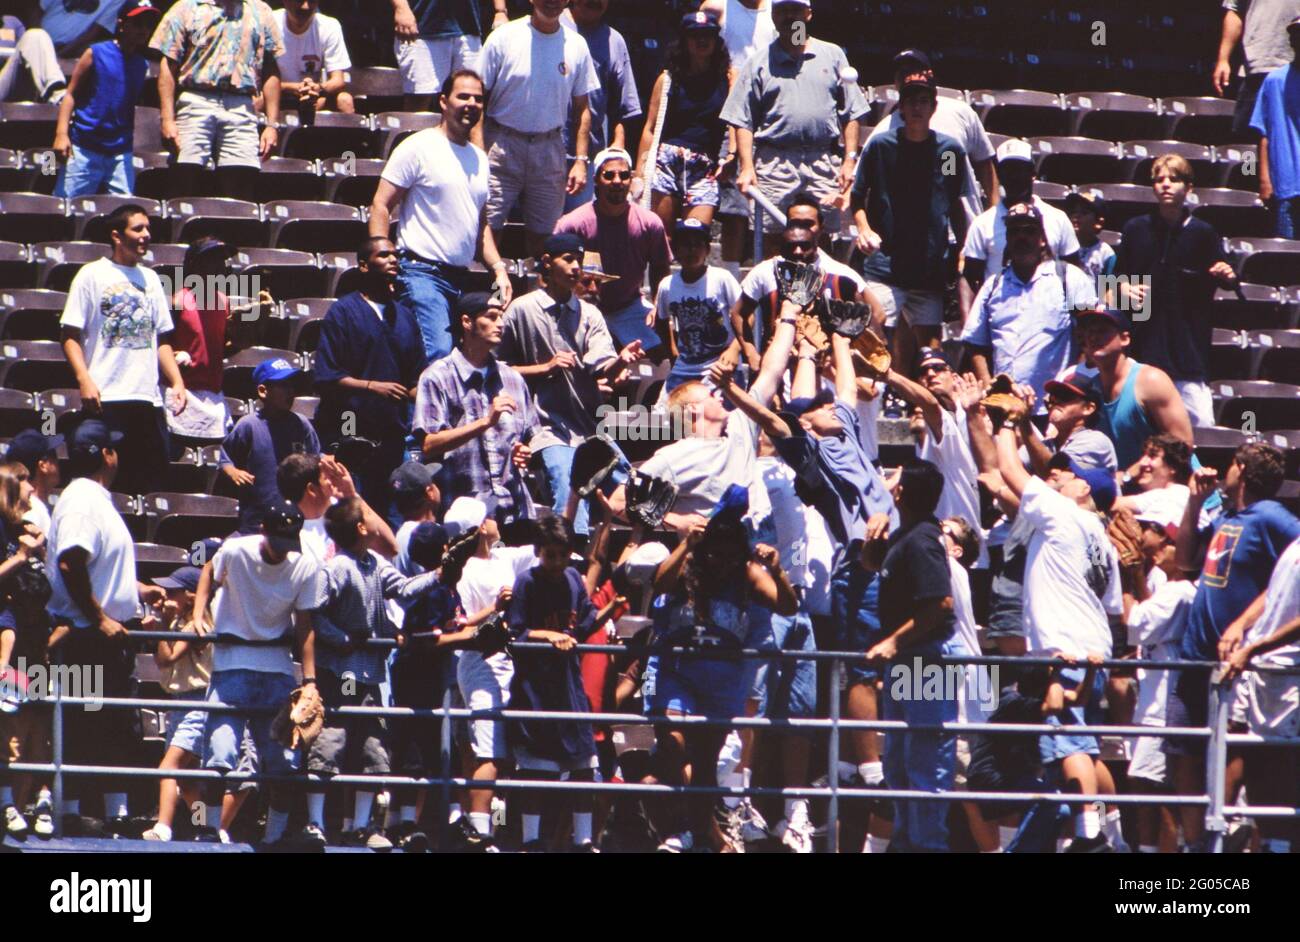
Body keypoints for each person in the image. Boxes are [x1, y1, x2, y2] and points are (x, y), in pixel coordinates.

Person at [993, 405, 1126, 852]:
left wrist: (1008, 423)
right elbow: (1112, 606)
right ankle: (1113, 829)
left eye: (1068, 474)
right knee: (1085, 746)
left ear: (1084, 487)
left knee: (1068, 742)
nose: (1058, 477)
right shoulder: (1104, 541)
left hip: (1065, 649)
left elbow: (1008, 469)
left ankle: (1091, 836)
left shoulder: (1064, 513)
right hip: (1094, 648)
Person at [644, 488, 797, 853]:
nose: (721, 563)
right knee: (672, 743)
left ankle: (702, 836)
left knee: (706, 761)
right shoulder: (690, 564)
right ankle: (707, 831)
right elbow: (658, 585)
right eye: (715, 554)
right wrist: (686, 546)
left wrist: (777, 571)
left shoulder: (747, 573)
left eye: (729, 556)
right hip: (680, 670)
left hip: (723, 678)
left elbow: (788, 607)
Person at [1170, 444, 1299, 850]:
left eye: (1229, 465)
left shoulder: (1275, 519)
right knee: (1183, 756)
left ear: (1241, 470)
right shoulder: (1226, 516)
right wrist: (1193, 502)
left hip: (1234, 664)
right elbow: (1185, 561)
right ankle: (1198, 845)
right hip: (1195, 655)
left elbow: (1284, 581)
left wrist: (1246, 628)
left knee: (1233, 756)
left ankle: (1226, 837)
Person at [47, 419, 165, 832]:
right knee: (87, 725)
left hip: (105, 636)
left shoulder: (97, 498)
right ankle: (71, 816)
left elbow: (94, 565)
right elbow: (70, 562)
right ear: (105, 455)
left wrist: (137, 590)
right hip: (86, 638)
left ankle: (117, 818)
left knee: (116, 727)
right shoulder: (82, 499)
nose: (119, 454)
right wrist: (99, 618)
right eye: (114, 448)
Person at [306, 497, 440, 849]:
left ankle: (362, 826)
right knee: (329, 742)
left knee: (373, 747)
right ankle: (315, 822)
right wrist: (342, 639)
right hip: (339, 671)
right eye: (367, 516)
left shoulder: (376, 564)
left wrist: (440, 574)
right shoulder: (336, 568)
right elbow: (314, 614)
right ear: (361, 528)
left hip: (372, 674)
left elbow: (405, 589)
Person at [192, 501, 323, 848]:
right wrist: (198, 611)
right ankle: (204, 830)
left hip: (276, 671)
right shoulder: (235, 550)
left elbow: (305, 626)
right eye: (279, 539)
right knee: (219, 757)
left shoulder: (305, 565)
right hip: (230, 666)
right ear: (264, 530)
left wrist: (309, 681)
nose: (283, 550)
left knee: (283, 764)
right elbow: (208, 569)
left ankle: (275, 837)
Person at [497, 233, 645, 533]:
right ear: (548, 264)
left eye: (579, 260)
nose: (577, 267)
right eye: (569, 259)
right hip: (545, 427)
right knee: (567, 484)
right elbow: (498, 370)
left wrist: (620, 361)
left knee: (636, 491)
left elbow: (600, 363)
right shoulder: (521, 309)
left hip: (588, 429)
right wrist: (543, 368)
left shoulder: (590, 314)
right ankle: (571, 555)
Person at [369, 69, 512, 365]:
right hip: (421, 274)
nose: (471, 103)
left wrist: (499, 268)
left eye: (478, 98)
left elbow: (480, 224)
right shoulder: (417, 146)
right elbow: (381, 205)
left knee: (465, 360)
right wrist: (381, 261)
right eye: (463, 96)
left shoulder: (480, 159)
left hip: (461, 278)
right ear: (444, 102)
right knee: (438, 356)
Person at [862, 459, 960, 852]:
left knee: (926, 761)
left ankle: (929, 846)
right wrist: (873, 540)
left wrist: (893, 643)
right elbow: (873, 563)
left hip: (927, 657)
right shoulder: (906, 534)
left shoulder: (922, 540)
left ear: (902, 491)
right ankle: (907, 842)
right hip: (908, 660)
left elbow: (939, 604)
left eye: (896, 477)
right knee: (899, 762)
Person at [721, 0, 868, 256]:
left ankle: (818, 294)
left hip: (822, 159)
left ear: (808, 14)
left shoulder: (833, 55)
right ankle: (776, 295)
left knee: (820, 238)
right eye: (783, 11)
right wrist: (746, 166)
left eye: (796, 10)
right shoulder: (758, 62)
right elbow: (743, 119)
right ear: (774, 16)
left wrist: (849, 159)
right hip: (774, 161)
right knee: (775, 238)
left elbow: (851, 113)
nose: (790, 17)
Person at [60, 203, 187, 497]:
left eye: (148, 228)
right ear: (117, 236)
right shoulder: (91, 275)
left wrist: (177, 380)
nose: (146, 235)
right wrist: (84, 379)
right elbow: (69, 335)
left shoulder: (152, 279)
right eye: (138, 228)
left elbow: (162, 340)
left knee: (147, 486)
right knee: (104, 485)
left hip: (146, 399)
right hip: (106, 397)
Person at [853, 71, 970, 368]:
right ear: (900, 107)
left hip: (929, 268)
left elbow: (954, 201)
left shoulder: (949, 152)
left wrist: (963, 249)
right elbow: (857, 198)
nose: (917, 107)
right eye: (910, 101)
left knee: (931, 348)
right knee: (875, 336)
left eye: (923, 101)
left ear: (933, 107)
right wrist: (864, 229)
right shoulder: (880, 147)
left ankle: (921, 406)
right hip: (885, 265)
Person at [1112, 155, 1238, 427]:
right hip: (1143, 354)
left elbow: (1228, 278)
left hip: (1189, 356)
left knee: (1200, 431)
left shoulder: (1204, 233)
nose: (1166, 185)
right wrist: (1123, 288)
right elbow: (1111, 285)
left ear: (1188, 187)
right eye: (1159, 180)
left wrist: (1226, 274)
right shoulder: (1135, 230)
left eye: (1174, 179)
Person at [506, 512, 601, 852]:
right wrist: (548, 635)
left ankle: (584, 839)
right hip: (536, 688)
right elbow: (514, 632)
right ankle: (531, 839)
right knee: (537, 769)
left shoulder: (574, 578)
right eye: (550, 555)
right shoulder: (527, 583)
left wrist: (613, 610)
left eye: (562, 554)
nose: (557, 562)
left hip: (568, 686)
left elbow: (585, 623)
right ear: (538, 551)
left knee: (583, 764)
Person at [479, 0, 600, 259]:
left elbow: (582, 109)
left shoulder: (577, 45)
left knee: (544, 242)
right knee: (488, 232)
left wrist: (580, 160)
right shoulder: (503, 38)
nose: (552, 2)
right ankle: (493, 297)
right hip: (501, 145)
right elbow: (478, 98)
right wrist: (477, 150)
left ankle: (536, 299)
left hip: (549, 149)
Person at [313, 236, 424, 515]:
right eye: (383, 255)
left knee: (392, 514)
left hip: (392, 433)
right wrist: (372, 387)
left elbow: (417, 377)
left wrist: (415, 394)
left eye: (395, 255)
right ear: (364, 265)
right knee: (351, 512)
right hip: (348, 425)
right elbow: (326, 377)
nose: (393, 260)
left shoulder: (405, 316)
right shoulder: (343, 312)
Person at [452, 498, 536, 849]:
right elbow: (459, 624)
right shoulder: (463, 570)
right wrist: (496, 608)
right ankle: (481, 834)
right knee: (486, 750)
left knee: (492, 751)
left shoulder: (506, 557)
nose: (494, 519)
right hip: (478, 662)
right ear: (478, 528)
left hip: (507, 664)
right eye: (487, 516)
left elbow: (550, 542)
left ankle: (483, 827)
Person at [414, 291, 539, 526]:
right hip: (463, 513)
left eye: (501, 317)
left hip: (513, 510)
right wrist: (484, 423)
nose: (500, 323)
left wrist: (523, 452)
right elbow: (428, 445)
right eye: (491, 317)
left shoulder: (513, 379)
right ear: (466, 322)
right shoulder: (437, 377)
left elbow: (531, 436)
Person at [961, 202, 1097, 401]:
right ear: (1007, 238)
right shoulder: (993, 286)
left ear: (1042, 239)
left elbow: (1092, 334)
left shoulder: (1069, 278)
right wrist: (988, 384)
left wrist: (1075, 384)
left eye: (1029, 231)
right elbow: (975, 343)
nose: (1021, 237)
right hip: (1006, 403)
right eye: (1014, 231)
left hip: (1055, 403)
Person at [150, 0, 284, 201]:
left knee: (241, 180)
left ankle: (234, 231)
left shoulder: (260, 10)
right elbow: (168, 66)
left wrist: (272, 124)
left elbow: (271, 70)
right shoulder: (186, 7)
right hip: (196, 97)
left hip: (241, 103)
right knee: (185, 173)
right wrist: (167, 119)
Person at [1219, 530, 1300, 855]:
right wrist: (1242, 624)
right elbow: (1275, 592)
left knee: (1280, 764)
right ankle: (1235, 832)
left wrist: (1254, 648)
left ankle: (1278, 845)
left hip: (1289, 673)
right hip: (1260, 668)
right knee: (1248, 755)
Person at [1118, 504, 1191, 854]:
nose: (1160, 546)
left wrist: (1126, 577)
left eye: (1169, 541)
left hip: (1163, 702)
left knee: (1155, 788)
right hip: (1153, 697)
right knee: (1145, 786)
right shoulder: (1165, 583)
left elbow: (1134, 623)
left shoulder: (1181, 591)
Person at [554, 147, 673, 352]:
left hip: (629, 306)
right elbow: (551, 271)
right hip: (580, 306)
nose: (617, 181)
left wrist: (657, 307)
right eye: (609, 175)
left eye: (624, 175)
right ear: (597, 180)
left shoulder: (650, 223)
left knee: (658, 352)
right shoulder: (571, 224)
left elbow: (660, 269)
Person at [868, 48, 999, 222]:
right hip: (916, 236)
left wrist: (993, 212)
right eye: (901, 73)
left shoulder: (959, 114)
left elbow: (982, 164)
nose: (907, 77)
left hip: (964, 229)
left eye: (912, 70)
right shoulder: (884, 132)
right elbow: (864, 185)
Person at [959, 139, 1080, 325]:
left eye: (1020, 169)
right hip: (1000, 319)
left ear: (1033, 173)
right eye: (1007, 170)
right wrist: (969, 324)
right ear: (999, 174)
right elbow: (969, 277)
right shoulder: (982, 224)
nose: (1014, 177)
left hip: (1049, 318)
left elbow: (1074, 272)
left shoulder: (1058, 218)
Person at [50, 1, 161, 199]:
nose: (143, 30)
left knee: (124, 209)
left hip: (120, 151)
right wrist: (61, 134)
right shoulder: (95, 53)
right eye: (137, 23)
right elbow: (71, 95)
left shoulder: (141, 64)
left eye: (148, 25)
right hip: (84, 147)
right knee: (67, 205)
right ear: (121, 24)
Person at [635, 12, 733, 233]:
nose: (702, 40)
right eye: (694, 35)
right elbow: (650, 128)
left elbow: (735, 124)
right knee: (661, 237)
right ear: (684, 41)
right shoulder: (667, 79)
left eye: (708, 34)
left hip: (704, 166)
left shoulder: (727, 79)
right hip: (667, 162)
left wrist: (731, 156)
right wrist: (640, 172)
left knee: (696, 236)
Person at [700, 0, 777, 281]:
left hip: (773, 112)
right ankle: (731, 278)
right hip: (730, 113)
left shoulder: (787, 7)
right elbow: (695, 45)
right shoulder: (716, 6)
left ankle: (769, 278)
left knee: (772, 207)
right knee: (734, 207)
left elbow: (800, 49)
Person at [141, 565, 213, 842]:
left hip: (198, 704)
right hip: (179, 703)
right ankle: (205, 827)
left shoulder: (197, 625)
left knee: (169, 767)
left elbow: (169, 657)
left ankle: (163, 827)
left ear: (192, 596)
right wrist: (161, 625)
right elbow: (161, 661)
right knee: (187, 778)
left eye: (175, 591)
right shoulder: (175, 624)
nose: (168, 596)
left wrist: (159, 626)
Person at [0, 461, 53, 838]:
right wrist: (19, 556)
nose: (33, 490)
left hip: (33, 644)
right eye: (24, 483)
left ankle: (28, 804)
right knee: (10, 730)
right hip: (8, 643)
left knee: (35, 726)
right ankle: (6, 804)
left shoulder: (24, 530)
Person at [1074, 306, 1194, 469]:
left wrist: (1130, 475)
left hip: (1179, 487)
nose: (1094, 337)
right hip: (1129, 490)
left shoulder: (1151, 381)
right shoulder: (1091, 390)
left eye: (1102, 331)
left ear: (1124, 339)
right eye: (1089, 332)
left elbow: (1183, 445)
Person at [220, 357, 321, 533]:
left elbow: (316, 460)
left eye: (291, 385)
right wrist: (233, 472)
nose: (290, 392)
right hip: (256, 521)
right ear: (263, 391)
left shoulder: (301, 424)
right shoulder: (249, 425)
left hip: (297, 520)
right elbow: (224, 457)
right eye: (283, 386)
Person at [562, 0, 641, 212]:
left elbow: (622, 106)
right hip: (544, 149)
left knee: (578, 232)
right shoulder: (552, 25)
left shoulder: (614, 41)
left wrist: (618, 146)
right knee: (540, 234)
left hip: (587, 157)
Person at [654, 217, 741, 395]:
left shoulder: (722, 279)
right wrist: (672, 351)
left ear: (707, 249)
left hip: (720, 364)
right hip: (684, 368)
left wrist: (735, 349)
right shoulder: (667, 285)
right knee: (675, 419)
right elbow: (661, 321)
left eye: (697, 245)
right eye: (685, 245)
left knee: (724, 417)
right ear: (675, 250)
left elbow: (746, 316)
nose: (691, 250)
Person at [167, 236, 235, 445]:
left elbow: (222, 347)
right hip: (183, 392)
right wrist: (176, 355)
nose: (219, 265)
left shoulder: (224, 301)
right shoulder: (177, 300)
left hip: (213, 395)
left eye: (222, 260)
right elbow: (161, 344)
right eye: (212, 259)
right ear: (195, 264)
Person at [391, 0, 508, 112]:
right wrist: (401, 8)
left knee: (473, 97)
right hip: (421, 27)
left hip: (468, 27)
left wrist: (500, 11)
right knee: (420, 99)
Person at [1215, 0, 1300, 140]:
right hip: (1257, 66)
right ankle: (1247, 163)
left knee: (1290, 134)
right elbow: (1234, 13)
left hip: (1295, 68)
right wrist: (1223, 59)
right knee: (1247, 138)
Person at [1250, 17, 1300, 236]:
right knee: (1288, 259)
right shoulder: (1274, 81)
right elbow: (1263, 134)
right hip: (1287, 185)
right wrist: (1264, 179)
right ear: (1291, 40)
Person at [272, 0, 353, 115]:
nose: (306, 7)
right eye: (299, 1)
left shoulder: (329, 26)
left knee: (345, 100)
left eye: (312, 1)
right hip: (276, 96)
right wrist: (292, 87)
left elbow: (338, 80)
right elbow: (258, 81)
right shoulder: (269, 23)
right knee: (256, 102)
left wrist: (318, 88)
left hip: (312, 98)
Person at [1113, 434, 1193, 519]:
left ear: (1173, 466)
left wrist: (1127, 475)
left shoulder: (1175, 494)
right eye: (1143, 455)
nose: (1142, 463)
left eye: (1152, 456)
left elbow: (1109, 503)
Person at [4, 429, 63, 535]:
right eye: (53, 456)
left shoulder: (37, 507)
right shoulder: (30, 513)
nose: (58, 461)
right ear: (43, 466)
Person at [0, 17, 64, 103]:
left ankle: (58, 94)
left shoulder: (11, 22)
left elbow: (26, 47)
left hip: (5, 83)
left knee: (35, 35)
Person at [1064, 192, 1115, 281]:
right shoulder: (1063, 247)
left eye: (1084, 213)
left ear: (1098, 223)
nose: (1076, 216)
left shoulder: (1105, 253)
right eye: (1073, 212)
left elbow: (1109, 289)